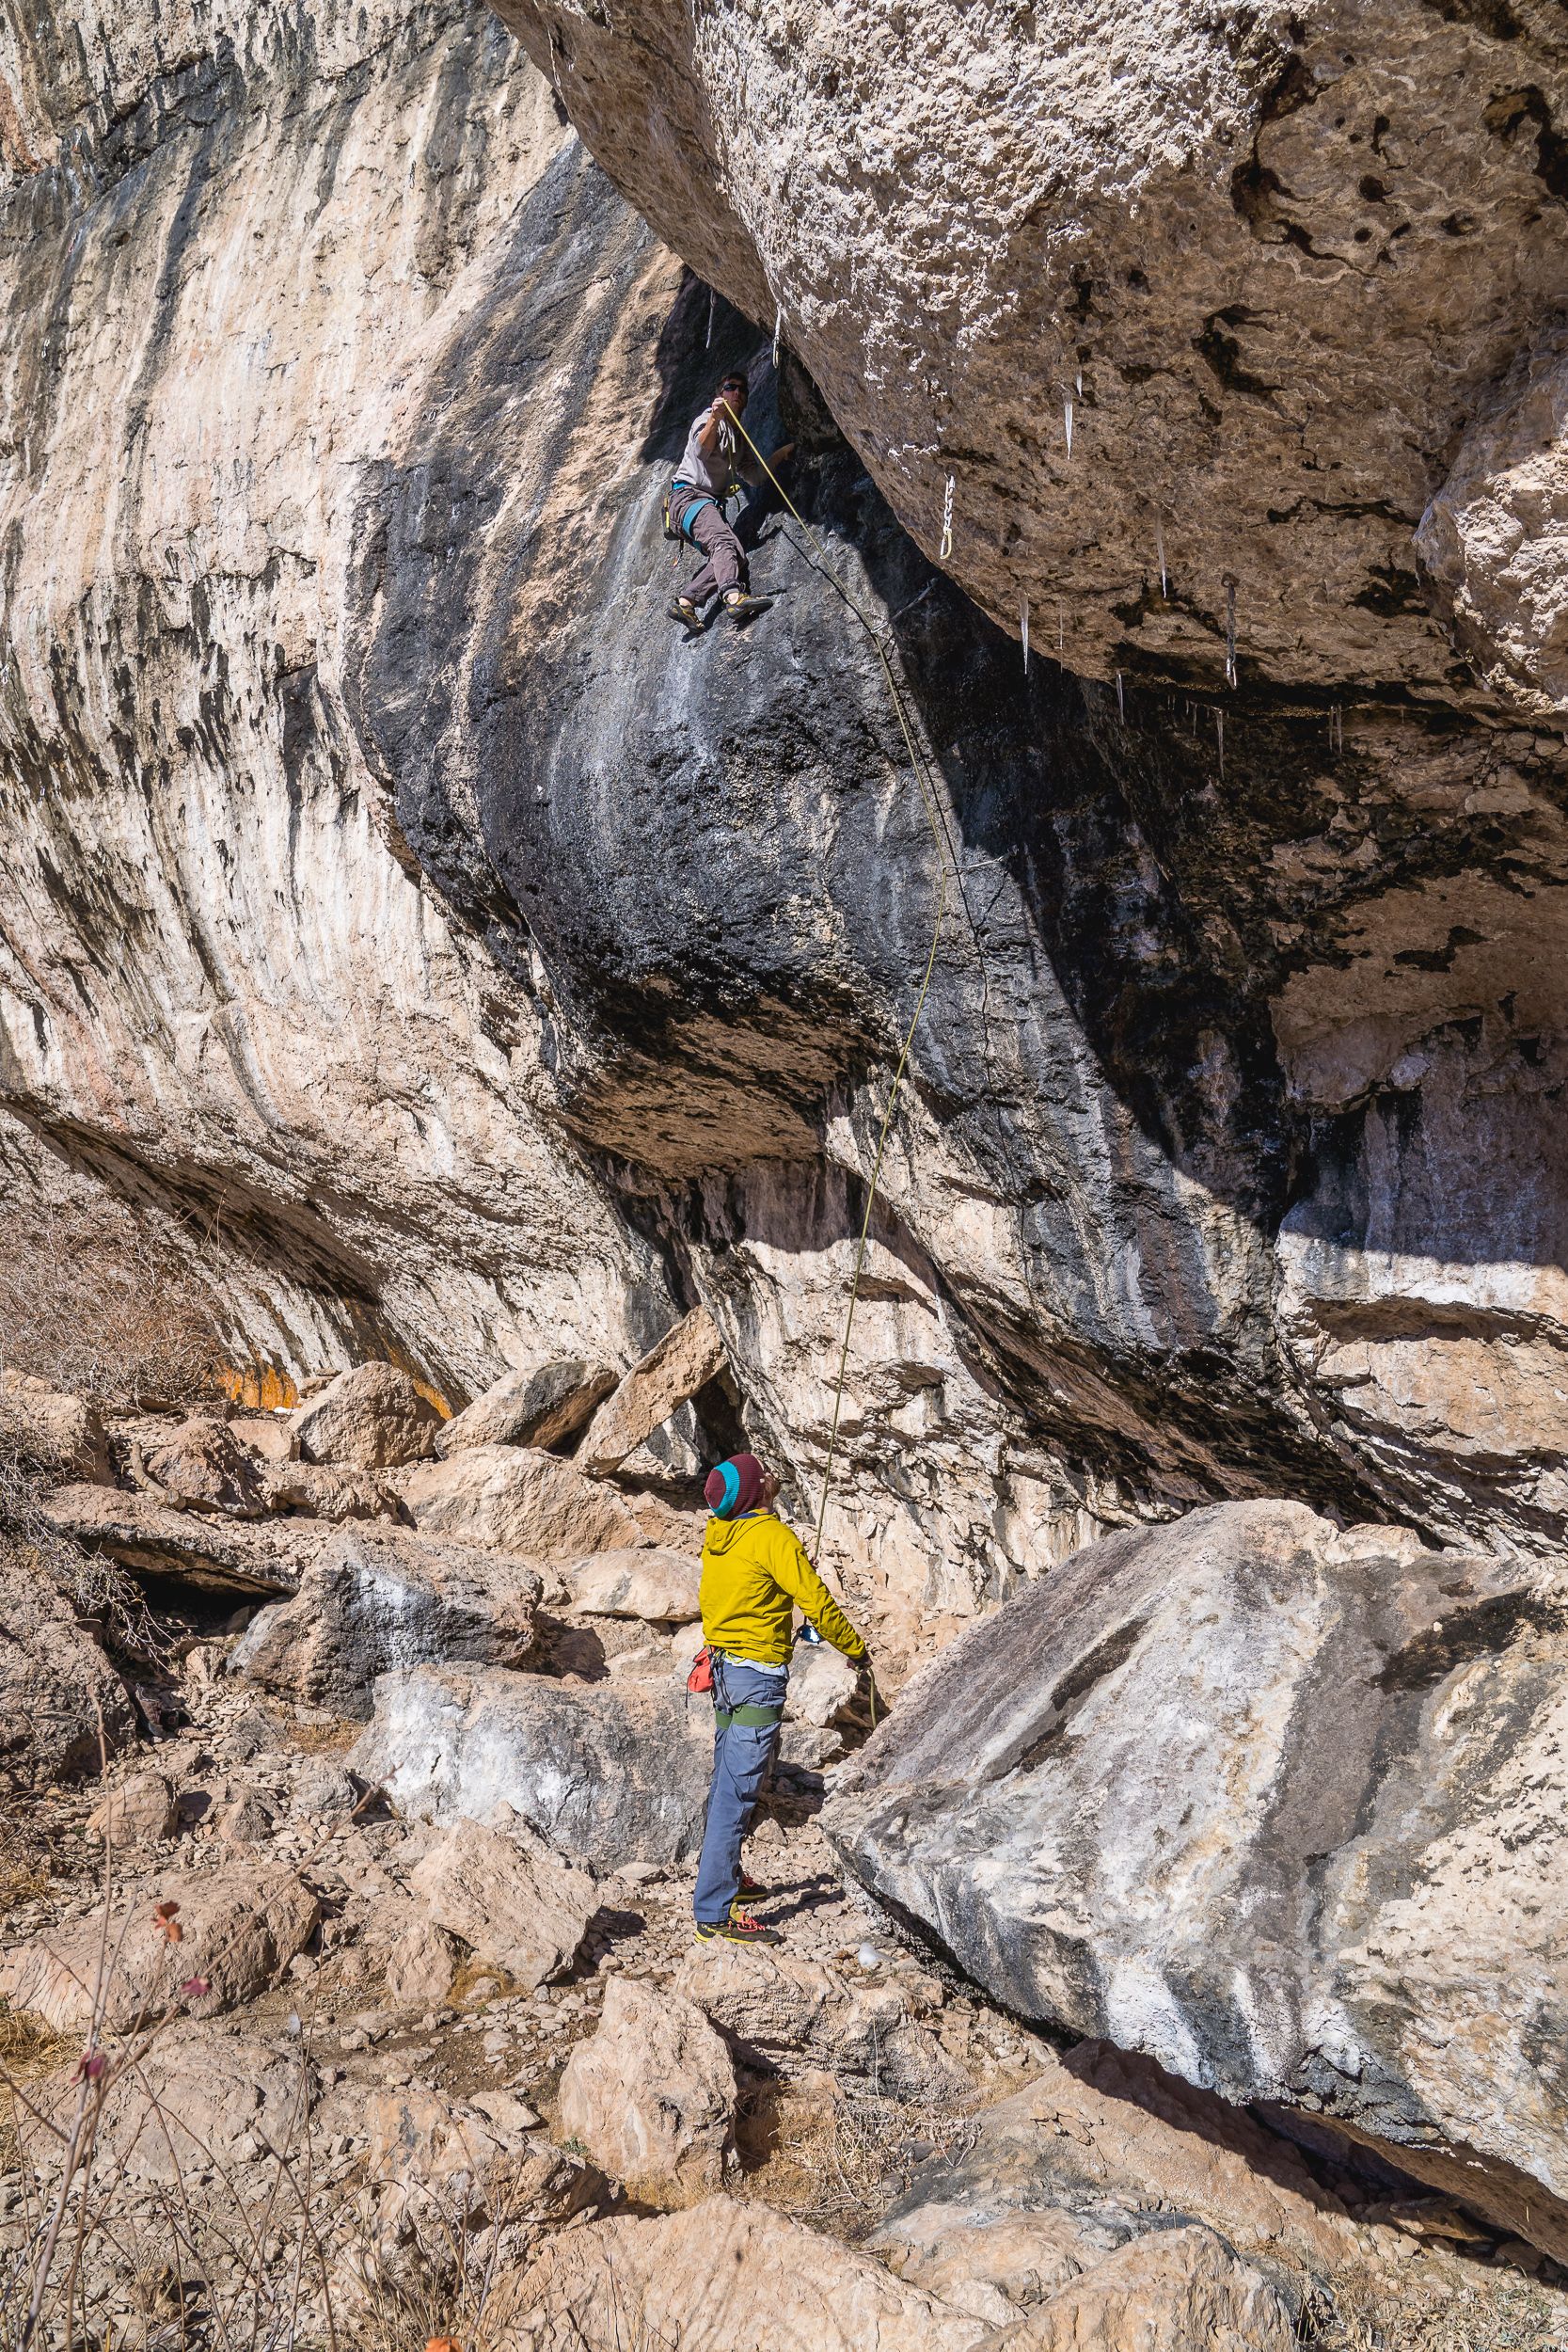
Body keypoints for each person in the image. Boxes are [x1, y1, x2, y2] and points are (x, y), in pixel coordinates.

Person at [691, 1451, 869, 1945]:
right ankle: (713, 1913)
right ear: (752, 1493)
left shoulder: (719, 1537)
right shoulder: (771, 1538)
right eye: (761, 1474)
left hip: (725, 1674)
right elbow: (817, 1601)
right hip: (755, 1676)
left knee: (736, 1772)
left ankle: (727, 1879)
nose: (770, 1476)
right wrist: (856, 1650)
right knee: (738, 1789)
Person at [666, 371, 793, 633]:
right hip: (689, 497)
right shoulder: (707, 419)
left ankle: (686, 601)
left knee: (734, 554)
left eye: (742, 390)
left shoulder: (739, 438)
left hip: (703, 504)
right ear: (720, 394)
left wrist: (781, 454)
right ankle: (733, 598)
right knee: (723, 542)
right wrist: (715, 417)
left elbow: (755, 477)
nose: (736, 393)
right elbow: (702, 449)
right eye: (730, 387)